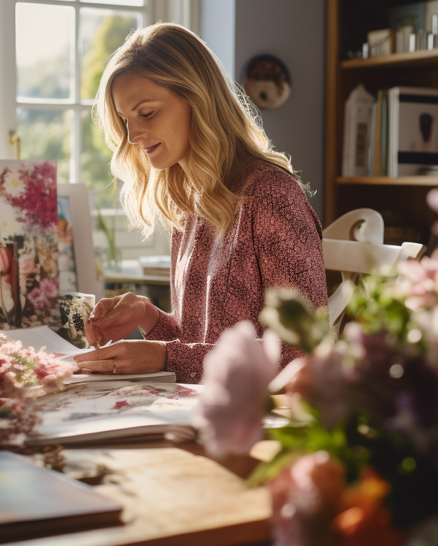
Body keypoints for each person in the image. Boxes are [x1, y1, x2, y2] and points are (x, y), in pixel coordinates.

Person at [75, 23, 328, 384]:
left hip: (260, 424)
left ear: (198, 99)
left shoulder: (272, 196)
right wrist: (147, 316)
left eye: (146, 113)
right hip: (202, 409)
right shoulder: (189, 201)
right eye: (124, 120)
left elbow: (304, 353)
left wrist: (164, 356)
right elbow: (200, 343)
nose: (132, 137)